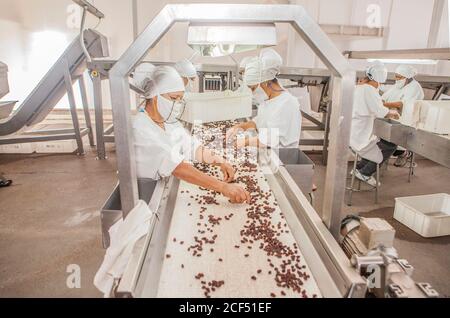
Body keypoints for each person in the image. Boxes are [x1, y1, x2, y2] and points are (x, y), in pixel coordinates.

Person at [132, 65, 251, 204]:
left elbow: (192, 147)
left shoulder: (168, 121)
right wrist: (223, 187)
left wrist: (220, 161)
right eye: (173, 98)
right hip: (147, 199)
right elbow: (178, 168)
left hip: (164, 187)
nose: (177, 104)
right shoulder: (140, 128)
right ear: (154, 97)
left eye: (180, 99)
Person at [226, 53, 301, 149]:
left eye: (253, 88)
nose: (252, 93)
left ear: (265, 82)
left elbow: (271, 139)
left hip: (281, 159)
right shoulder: (267, 100)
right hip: (267, 153)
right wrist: (240, 127)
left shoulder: (286, 104)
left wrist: (245, 142)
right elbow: (259, 123)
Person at [350, 62, 400, 187]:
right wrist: (392, 113)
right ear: (380, 78)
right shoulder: (370, 90)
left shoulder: (359, 87)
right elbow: (380, 111)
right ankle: (365, 173)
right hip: (360, 135)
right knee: (390, 145)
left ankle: (358, 168)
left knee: (377, 143)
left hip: (352, 133)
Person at [382, 65, 424, 167]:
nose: (397, 79)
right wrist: (381, 102)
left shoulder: (414, 87)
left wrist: (383, 105)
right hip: (392, 117)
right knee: (385, 141)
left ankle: (404, 154)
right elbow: (384, 97)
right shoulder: (398, 85)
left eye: (399, 77)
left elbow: (403, 104)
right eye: (396, 76)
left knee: (396, 144)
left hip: (406, 120)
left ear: (407, 77)